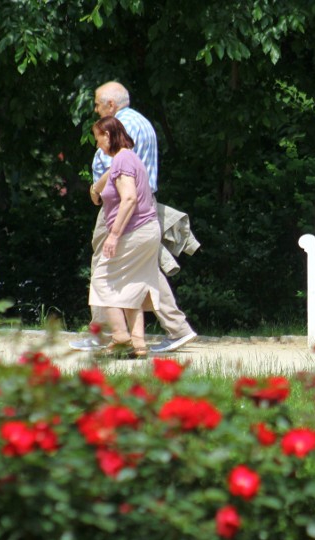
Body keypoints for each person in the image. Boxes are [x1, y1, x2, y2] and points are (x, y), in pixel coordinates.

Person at [70, 81, 197, 353]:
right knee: (144, 273)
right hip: (145, 206)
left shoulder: (116, 131)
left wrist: (99, 196)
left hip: (120, 208)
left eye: (97, 104)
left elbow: (119, 175)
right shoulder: (144, 124)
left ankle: (105, 334)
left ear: (111, 105)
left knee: (104, 273)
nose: (95, 110)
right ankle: (173, 329)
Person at [88, 116, 160, 357]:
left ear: (107, 136)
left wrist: (113, 235)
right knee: (133, 288)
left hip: (132, 232)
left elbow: (128, 198)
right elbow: (111, 178)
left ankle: (120, 336)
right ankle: (138, 344)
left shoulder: (121, 160)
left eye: (97, 138)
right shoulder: (129, 157)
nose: (97, 144)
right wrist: (95, 188)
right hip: (147, 231)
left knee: (102, 280)